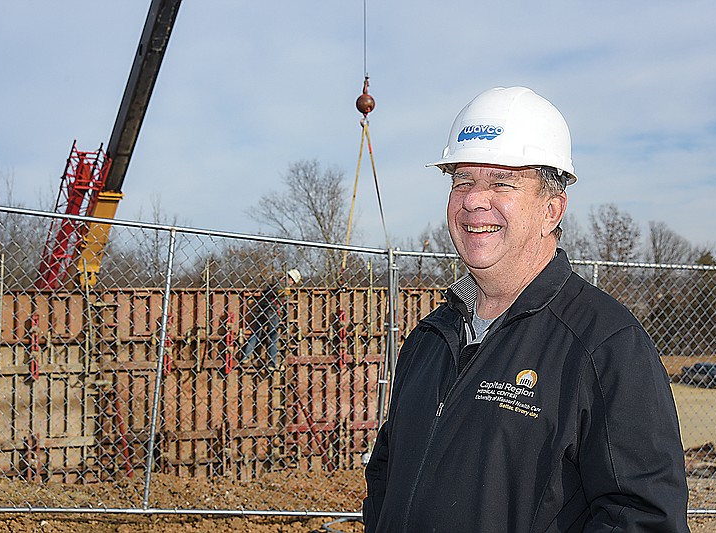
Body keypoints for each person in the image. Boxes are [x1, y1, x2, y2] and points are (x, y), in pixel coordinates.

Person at [363, 87, 689, 532]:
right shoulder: (429, 340)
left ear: (551, 209)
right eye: (462, 181)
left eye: (501, 182)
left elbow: (642, 518)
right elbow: (385, 479)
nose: (475, 200)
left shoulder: (604, 347)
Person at [241, 268, 301, 370]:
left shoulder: (273, 283)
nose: (292, 284)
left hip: (262, 310)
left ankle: (246, 356)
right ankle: (272, 363)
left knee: (256, 333)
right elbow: (281, 299)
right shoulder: (284, 287)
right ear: (291, 279)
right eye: (293, 282)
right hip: (272, 312)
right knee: (273, 336)